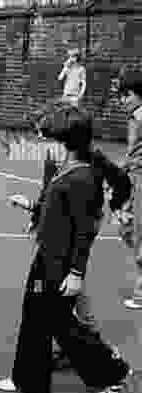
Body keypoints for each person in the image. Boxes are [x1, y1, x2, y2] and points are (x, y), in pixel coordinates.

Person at [0, 104, 131, 393]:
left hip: (62, 264)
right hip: (47, 256)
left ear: (66, 142)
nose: (42, 144)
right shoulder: (65, 167)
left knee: (60, 322)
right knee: (33, 313)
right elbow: (57, 210)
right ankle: (28, 379)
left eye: (47, 138)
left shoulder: (82, 178)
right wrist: (32, 206)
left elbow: (85, 231)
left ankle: (112, 372)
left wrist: (76, 273)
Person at [114, 68, 142, 310]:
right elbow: (134, 153)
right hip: (133, 180)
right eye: (120, 95)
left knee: (138, 232)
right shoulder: (134, 117)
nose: (122, 99)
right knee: (125, 227)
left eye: (127, 94)